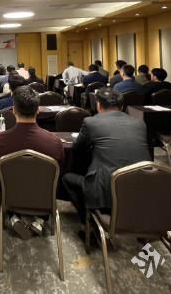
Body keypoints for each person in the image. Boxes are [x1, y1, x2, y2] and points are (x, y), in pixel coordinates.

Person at [62, 88, 151, 235]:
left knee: (67, 178)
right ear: (122, 106)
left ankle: (88, 225)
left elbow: (78, 149)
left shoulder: (91, 122)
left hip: (106, 187)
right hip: (140, 186)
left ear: (98, 105)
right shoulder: (139, 123)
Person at [0, 86, 64, 238]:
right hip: (44, 197)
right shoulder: (54, 142)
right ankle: (39, 219)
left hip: (11, 196)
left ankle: (14, 217)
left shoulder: (0, 140)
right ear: (38, 110)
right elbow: (59, 171)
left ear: (13, 111)